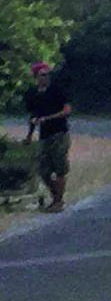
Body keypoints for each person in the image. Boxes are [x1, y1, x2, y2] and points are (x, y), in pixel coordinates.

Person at [23, 62, 72, 213]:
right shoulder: (34, 94)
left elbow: (67, 110)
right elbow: (33, 115)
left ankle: (58, 201)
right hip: (45, 135)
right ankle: (56, 195)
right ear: (36, 77)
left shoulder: (56, 90)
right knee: (43, 170)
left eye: (47, 74)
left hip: (59, 133)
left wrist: (48, 118)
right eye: (42, 75)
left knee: (59, 168)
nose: (46, 78)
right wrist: (29, 135)